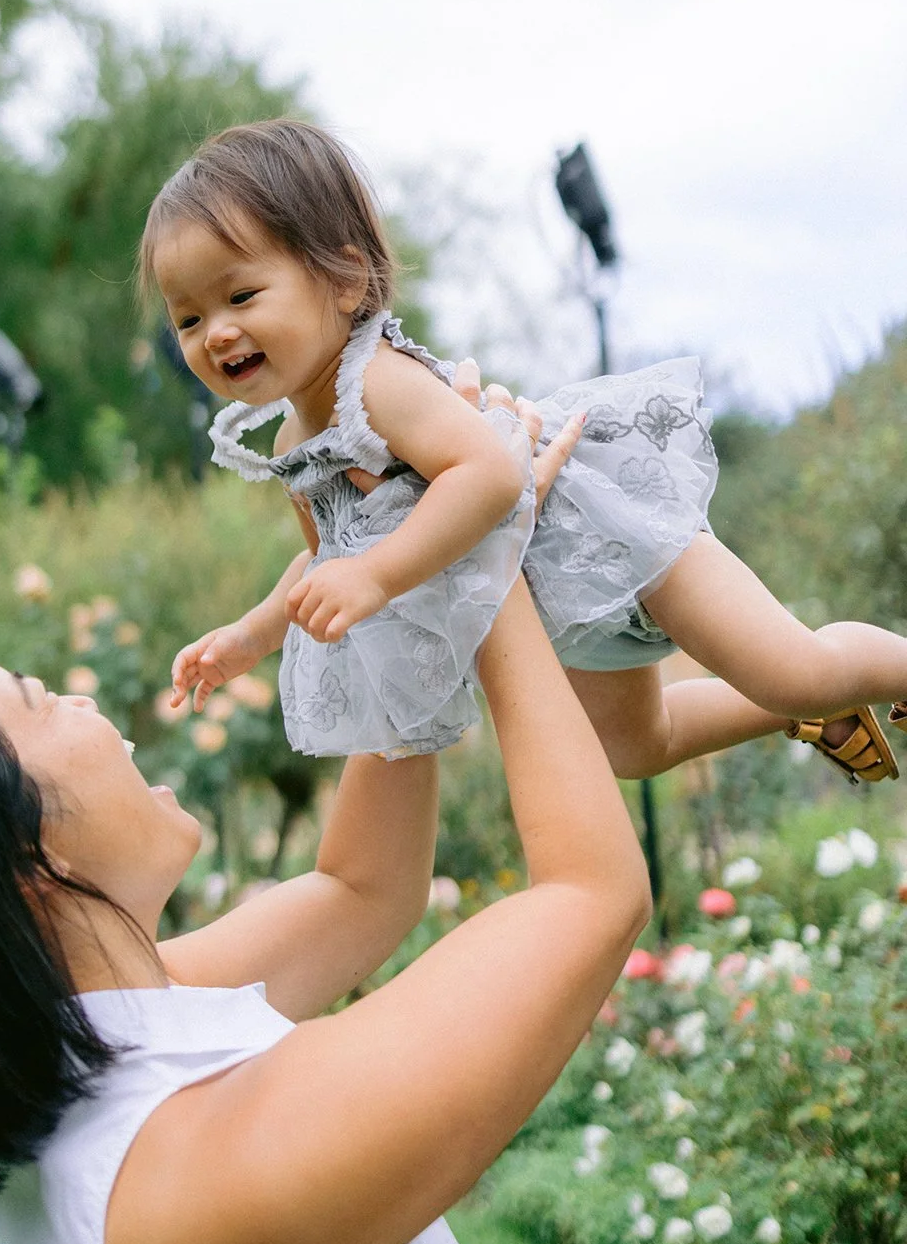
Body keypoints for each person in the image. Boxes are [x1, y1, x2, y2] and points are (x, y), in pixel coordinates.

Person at [0, 370, 649, 1244]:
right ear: (25, 864)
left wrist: (390, 549)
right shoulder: (207, 1179)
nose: (84, 704)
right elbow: (589, 898)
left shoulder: (84, 1039)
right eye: (43, 704)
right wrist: (483, 538)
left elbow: (362, 893)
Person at [142, 119, 907, 785]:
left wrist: (376, 576)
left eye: (241, 297)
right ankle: (798, 714)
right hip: (562, 609)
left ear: (343, 281)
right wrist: (252, 635)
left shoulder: (377, 382)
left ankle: (830, 689)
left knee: (798, 670)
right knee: (638, 748)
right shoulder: (293, 444)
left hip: (617, 547)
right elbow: (328, 560)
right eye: (188, 319)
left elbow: (489, 476)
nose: (216, 333)